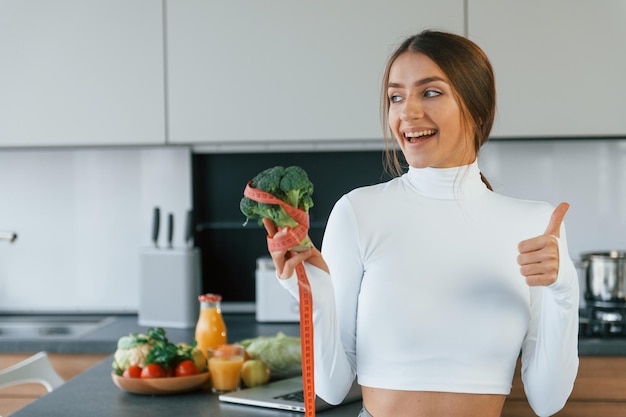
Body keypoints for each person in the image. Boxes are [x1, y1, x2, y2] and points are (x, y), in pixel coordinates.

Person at [262, 30, 579, 417]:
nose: (407, 112)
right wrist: (313, 292)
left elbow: (547, 402)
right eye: (396, 96)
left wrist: (565, 289)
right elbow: (332, 384)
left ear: (477, 107)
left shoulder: (536, 224)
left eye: (430, 92)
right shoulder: (358, 211)